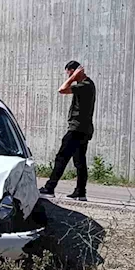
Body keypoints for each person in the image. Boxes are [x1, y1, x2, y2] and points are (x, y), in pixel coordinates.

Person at [39, 61, 96, 201]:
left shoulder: (85, 85)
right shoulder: (86, 85)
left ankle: (49, 188)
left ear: (76, 71)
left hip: (77, 129)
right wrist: (74, 77)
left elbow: (62, 90)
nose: (68, 75)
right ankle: (80, 192)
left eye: (69, 72)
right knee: (79, 161)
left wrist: (72, 77)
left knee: (61, 157)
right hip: (83, 129)